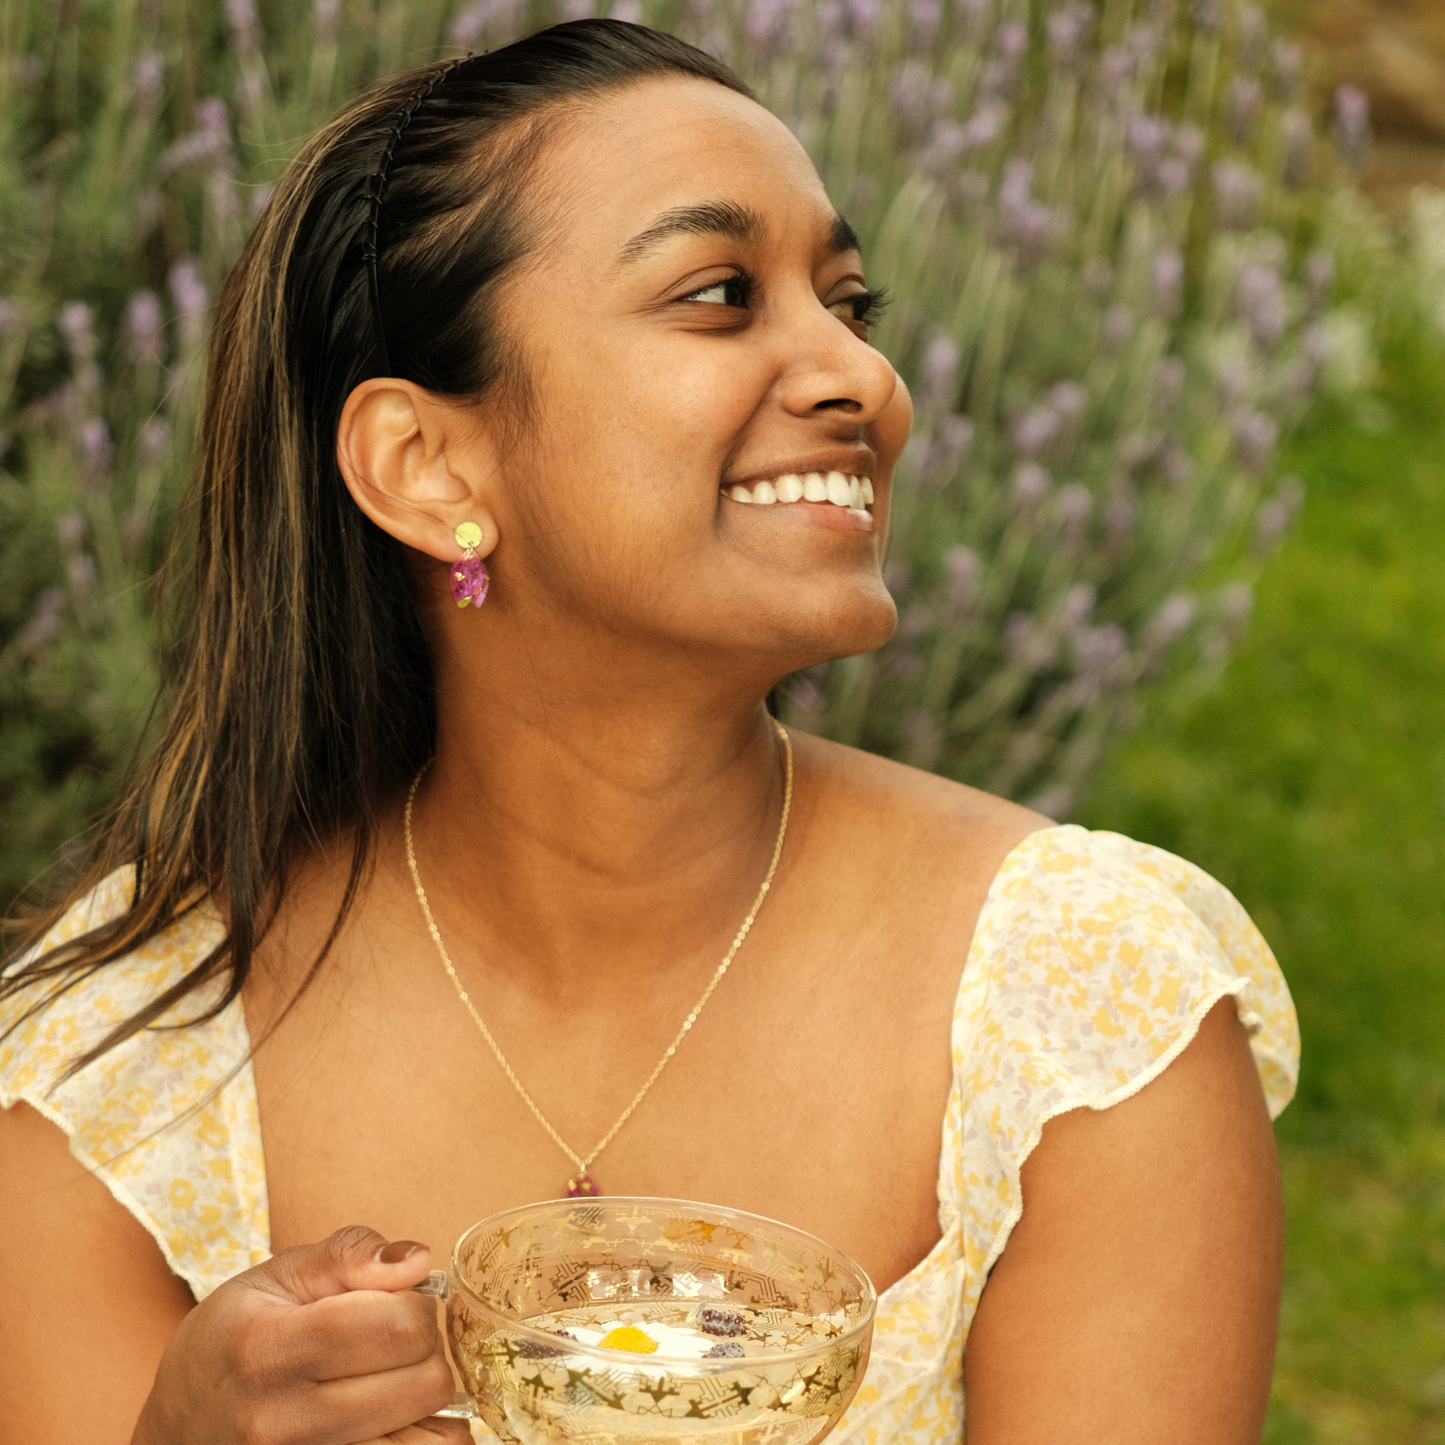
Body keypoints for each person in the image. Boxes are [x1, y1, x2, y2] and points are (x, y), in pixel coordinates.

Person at [0, 20, 1296, 1445]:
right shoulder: (114, 1068)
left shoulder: (1083, 1014)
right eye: (721, 294)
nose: (861, 382)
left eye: (850, 304)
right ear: (426, 466)